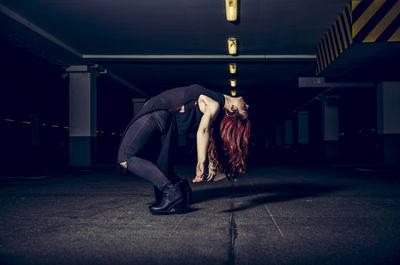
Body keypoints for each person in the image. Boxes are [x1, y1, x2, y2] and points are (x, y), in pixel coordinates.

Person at [117, 84, 250, 215]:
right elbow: (208, 133)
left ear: (233, 109)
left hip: (156, 115)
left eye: (245, 109)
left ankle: (171, 192)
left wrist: (201, 162)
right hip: (165, 120)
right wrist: (210, 162)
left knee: (125, 157)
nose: (247, 106)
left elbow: (203, 130)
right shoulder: (215, 99)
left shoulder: (213, 104)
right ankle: (181, 188)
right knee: (162, 167)